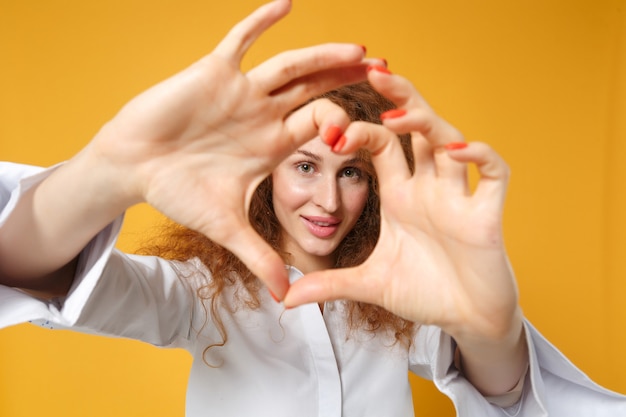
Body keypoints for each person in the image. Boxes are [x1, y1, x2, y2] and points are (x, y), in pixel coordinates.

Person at [0, 1, 625, 416]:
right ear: (263, 171)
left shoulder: (401, 295)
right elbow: (25, 271)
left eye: (350, 172)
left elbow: (510, 395)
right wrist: (107, 172)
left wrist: (494, 332)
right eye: (305, 166)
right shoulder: (199, 296)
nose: (328, 201)